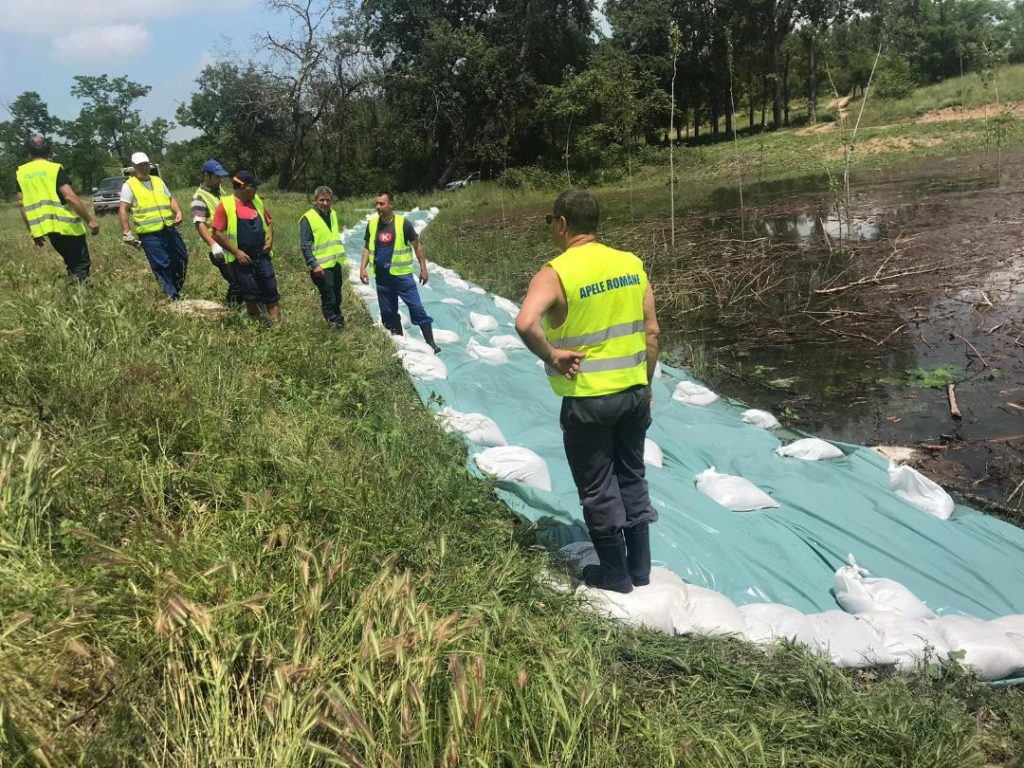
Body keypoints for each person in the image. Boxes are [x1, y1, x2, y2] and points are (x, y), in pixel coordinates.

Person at [515, 189, 660, 594]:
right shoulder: (631, 265)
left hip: (589, 400)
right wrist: (645, 384)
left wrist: (554, 355)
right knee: (632, 475)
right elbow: (652, 331)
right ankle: (641, 568)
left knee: (598, 486)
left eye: (551, 222)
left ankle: (614, 574)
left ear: (562, 223)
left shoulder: (556, 272)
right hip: (633, 393)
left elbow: (526, 323)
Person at [359, 192, 440, 353]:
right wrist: (362, 268)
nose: (378, 207)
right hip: (382, 277)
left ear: (391, 205)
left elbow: (417, 245)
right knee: (388, 313)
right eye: (377, 203)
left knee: (416, 308)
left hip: (402, 277)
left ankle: (430, 343)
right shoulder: (372, 224)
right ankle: (399, 344)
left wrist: (424, 269)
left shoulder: (403, 224)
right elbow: (367, 247)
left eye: (382, 204)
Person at [15, 134, 100, 282]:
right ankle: (81, 298)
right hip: (67, 225)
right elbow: (69, 197)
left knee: (71, 262)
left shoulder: (21, 173)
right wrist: (90, 221)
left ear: (29, 151)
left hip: (46, 228)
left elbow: (22, 203)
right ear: (48, 149)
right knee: (80, 264)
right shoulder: (54, 169)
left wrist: (32, 231)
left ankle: (76, 293)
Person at [211, 171, 281, 324]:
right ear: (242, 187)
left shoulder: (256, 201)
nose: (256, 190)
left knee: (271, 291)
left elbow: (269, 222)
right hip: (242, 259)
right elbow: (217, 233)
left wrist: (270, 239)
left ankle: (277, 327)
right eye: (253, 187)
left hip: (262, 255)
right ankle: (258, 326)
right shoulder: (226, 205)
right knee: (251, 295)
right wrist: (236, 252)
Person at [118, 151, 189, 300]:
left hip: (168, 228)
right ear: (134, 166)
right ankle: (172, 296)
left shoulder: (158, 180)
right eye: (140, 165)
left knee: (181, 257)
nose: (144, 168)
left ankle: (175, 287)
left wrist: (178, 212)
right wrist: (126, 232)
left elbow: (170, 198)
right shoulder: (129, 185)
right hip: (149, 233)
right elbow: (123, 208)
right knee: (162, 264)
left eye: (145, 164)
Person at [191, 159, 241, 306]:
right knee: (236, 281)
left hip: (231, 244)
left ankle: (235, 307)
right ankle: (231, 311)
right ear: (207, 176)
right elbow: (199, 224)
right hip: (219, 248)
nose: (221, 179)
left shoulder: (220, 192)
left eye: (221, 176)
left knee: (240, 279)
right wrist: (213, 245)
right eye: (217, 176)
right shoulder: (199, 197)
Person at [299, 185, 347, 329]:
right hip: (321, 267)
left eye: (328, 200)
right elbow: (305, 245)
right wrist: (314, 265)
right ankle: (334, 324)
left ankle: (338, 320)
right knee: (329, 297)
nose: (325, 203)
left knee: (337, 296)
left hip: (335, 264)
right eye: (322, 200)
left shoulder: (332, 214)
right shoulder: (308, 218)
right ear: (315, 200)